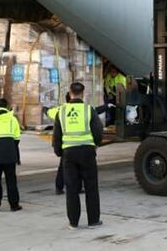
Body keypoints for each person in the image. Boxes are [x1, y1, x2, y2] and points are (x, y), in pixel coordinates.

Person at [53, 82, 103, 229]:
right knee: (91, 187)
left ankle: (73, 222)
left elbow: (57, 135)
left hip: (69, 154)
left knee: (71, 188)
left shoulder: (61, 111)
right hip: (87, 152)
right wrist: (96, 144)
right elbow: (98, 130)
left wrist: (59, 152)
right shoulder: (89, 110)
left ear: (70, 93)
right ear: (83, 93)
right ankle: (93, 220)